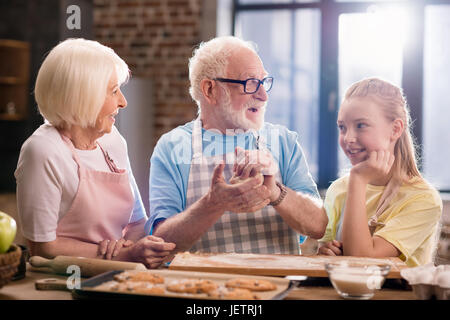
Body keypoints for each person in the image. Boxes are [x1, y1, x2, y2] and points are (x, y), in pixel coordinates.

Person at [147, 36, 328, 255]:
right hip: (201, 285)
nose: (263, 96)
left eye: (263, 82)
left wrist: (273, 191)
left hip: (280, 284)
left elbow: (318, 226)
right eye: (250, 83)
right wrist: (213, 203)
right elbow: (161, 243)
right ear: (210, 90)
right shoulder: (173, 146)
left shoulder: (283, 141)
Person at [15, 38, 175, 268]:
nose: (123, 102)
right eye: (113, 91)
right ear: (83, 97)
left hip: (115, 273)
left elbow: (138, 222)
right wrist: (121, 256)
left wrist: (123, 248)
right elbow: (43, 247)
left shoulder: (113, 140)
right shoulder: (42, 151)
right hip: (61, 280)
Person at [318, 78, 442, 267]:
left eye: (361, 125)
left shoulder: (423, 199)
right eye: (342, 127)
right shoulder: (339, 189)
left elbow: (361, 261)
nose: (348, 138)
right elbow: (327, 253)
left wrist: (358, 180)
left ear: (395, 129)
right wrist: (325, 252)